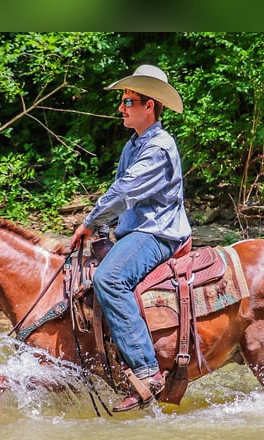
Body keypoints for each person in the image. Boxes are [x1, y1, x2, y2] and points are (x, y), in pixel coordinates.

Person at [69, 64, 192, 412]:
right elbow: (121, 194)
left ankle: (147, 370)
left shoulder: (159, 147)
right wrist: (105, 232)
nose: (120, 108)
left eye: (127, 101)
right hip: (135, 230)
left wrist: (91, 223)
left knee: (109, 280)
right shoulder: (133, 145)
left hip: (158, 233)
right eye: (123, 101)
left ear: (149, 105)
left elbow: (125, 192)